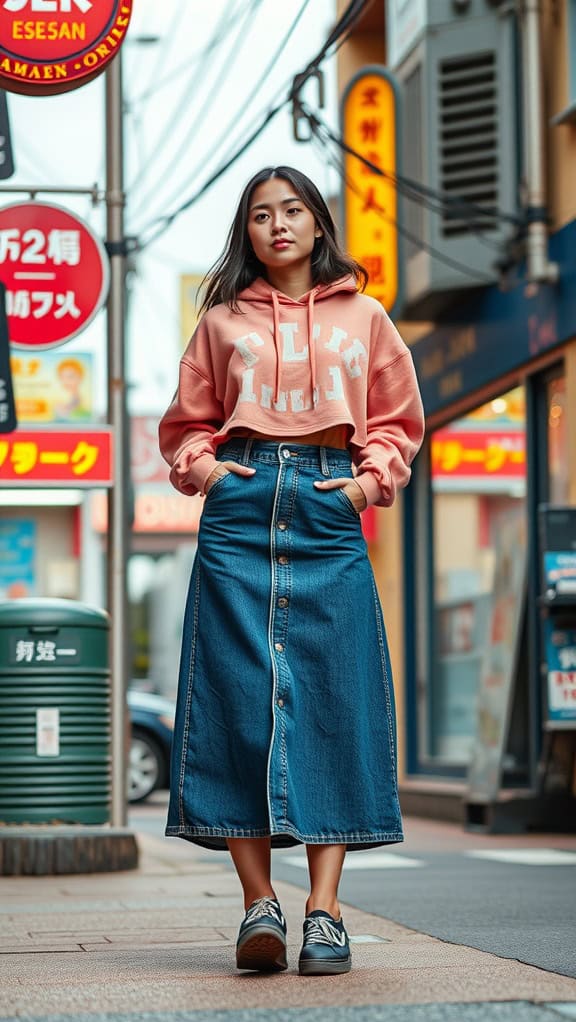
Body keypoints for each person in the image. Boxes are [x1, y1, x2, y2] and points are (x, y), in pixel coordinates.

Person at [159, 165, 425, 976]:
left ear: (318, 224)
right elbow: (184, 424)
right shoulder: (222, 321)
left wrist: (366, 485)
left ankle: (325, 913)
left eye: (294, 211)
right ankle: (257, 907)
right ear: (247, 231)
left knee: (334, 698)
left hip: (324, 501)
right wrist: (205, 470)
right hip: (240, 505)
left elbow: (397, 419)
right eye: (261, 215)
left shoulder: (366, 315)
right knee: (235, 698)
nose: (278, 225)